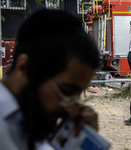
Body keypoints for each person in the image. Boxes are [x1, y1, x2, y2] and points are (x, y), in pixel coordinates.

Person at [0, 9, 99, 150]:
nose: (72, 111)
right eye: (65, 91)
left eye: (77, 97)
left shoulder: (32, 121)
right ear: (24, 68)